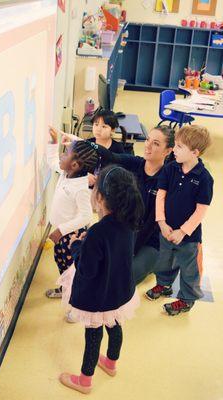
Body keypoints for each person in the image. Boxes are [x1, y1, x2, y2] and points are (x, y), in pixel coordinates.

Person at [58, 165, 144, 394]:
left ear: (100, 197)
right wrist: (89, 242)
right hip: (120, 289)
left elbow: (86, 269)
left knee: (93, 334)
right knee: (114, 326)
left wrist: (77, 244)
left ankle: (85, 381)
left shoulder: (97, 231)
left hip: (98, 296)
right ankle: (111, 364)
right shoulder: (128, 221)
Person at [82, 125, 175, 284]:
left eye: (156, 143)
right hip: (126, 231)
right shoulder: (136, 164)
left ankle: (155, 264)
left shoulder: (168, 180)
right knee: (96, 265)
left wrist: (127, 250)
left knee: (123, 278)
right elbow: (111, 156)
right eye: (148, 140)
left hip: (150, 242)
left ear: (168, 151)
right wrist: (81, 142)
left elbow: (152, 225)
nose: (148, 145)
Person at [145, 125, 213, 316]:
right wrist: (161, 222)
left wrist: (183, 231)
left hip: (188, 237)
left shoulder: (204, 178)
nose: (174, 149)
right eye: (175, 145)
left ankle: (186, 299)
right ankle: (163, 284)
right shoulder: (170, 168)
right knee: (164, 260)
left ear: (194, 152)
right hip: (166, 229)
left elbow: (201, 210)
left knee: (188, 268)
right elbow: (161, 196)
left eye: (179, 146)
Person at [45, 127, 98, 299]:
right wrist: (53, 143)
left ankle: (74, 302)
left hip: (71, 236)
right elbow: (52, 161)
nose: (62, 155)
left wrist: (61, 230)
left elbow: (86, 216)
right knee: (61, 263)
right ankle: (65, 290)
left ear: (75, 165)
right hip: (62, 234)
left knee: (72, 269)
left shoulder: (81, 188)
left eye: (65, 153)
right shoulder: (66, 173)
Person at [86, 110, 126, 187]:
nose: (98, 129)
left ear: (112, 130)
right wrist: (85, 175)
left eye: (104, 126)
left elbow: (120, 172)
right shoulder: (87, 144)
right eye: (96, 124)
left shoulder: (118, 148)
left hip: (108, 188)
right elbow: (78, 167)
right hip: (87, 187)